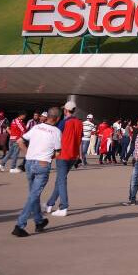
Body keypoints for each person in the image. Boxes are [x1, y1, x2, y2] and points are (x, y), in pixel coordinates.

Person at [11, 107, 61, 237]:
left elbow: (20, 141)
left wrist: (28, 154)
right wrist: (48, 157)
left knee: (34, 194)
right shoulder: (56, 131)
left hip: (29, 163)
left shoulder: (36, 127)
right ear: (57, 119)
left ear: (47, 116)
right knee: (33, 196)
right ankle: (20, 225)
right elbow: (58, 152)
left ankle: (39, 221)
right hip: (42, 165)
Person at [46, 100, 81, 216]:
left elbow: (55, 136)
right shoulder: (79, 123)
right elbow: (79, 140)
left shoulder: (64, 122)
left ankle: (63, 207)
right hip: (73, 155)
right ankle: (50, 204)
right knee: (60, 180)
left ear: (66, 110)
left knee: (61, 180)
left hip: (63, 154)